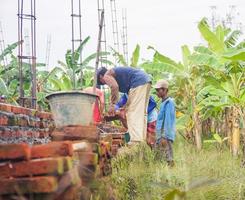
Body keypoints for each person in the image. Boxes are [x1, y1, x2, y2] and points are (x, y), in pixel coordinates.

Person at [97, 66, 151, 143]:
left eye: (103, 82)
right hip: (145, 81)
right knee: (141, 113)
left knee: (133, 113)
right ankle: (141, 139)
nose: (106, 83)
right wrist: (125, 107)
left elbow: (114, 87)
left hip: (138, 82)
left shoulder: (106, 75)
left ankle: (136, 141)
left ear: (101, 76)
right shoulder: (115, 73)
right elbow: (129, 94)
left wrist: (112, 105)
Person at [154, 79, 176, 166]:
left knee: (169, 158)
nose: (157, 92)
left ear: (165, 90)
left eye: (158, 90)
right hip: (161, 136)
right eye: (156, 90)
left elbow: (168, 121)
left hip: (165, 136)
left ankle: (173, 175)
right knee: (161, 158)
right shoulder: (163, 103)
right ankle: (167, 175)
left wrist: (164, 136)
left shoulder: (169, 103)